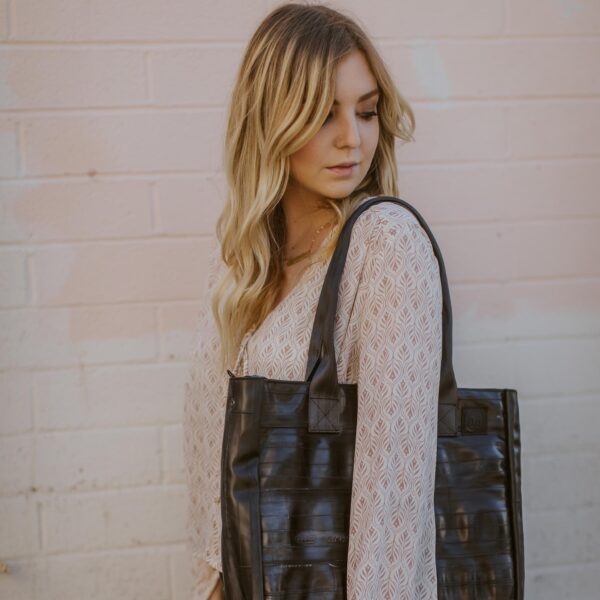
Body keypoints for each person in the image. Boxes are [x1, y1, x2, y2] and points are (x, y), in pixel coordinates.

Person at [183, 3, 442, 599]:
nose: (353, 138)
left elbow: (395, 493)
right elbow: (208, 449)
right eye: (324, 113)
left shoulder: (385, 245)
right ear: (271, 119)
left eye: (367, 111)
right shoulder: (241, 264)